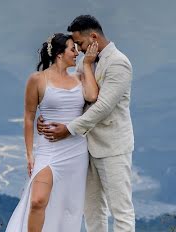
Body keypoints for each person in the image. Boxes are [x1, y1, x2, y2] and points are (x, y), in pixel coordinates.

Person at [40, 15, 136, 232]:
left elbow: (103, 107)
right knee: (92, 211)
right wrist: (46, 115)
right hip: (85, 147)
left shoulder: (119, 63)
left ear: (93, 36)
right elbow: (76, 95)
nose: (79, 50)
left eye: (80, 43)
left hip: (113, 147)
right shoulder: (86, 61)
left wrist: (69, 129)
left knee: (120, 211)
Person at [4, 32, 100, 232]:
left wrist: (89, 64)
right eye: (72, 49)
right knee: (38, 200)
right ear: (59, 54)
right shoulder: (37, 79)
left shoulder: (80, 77)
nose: (77, 53)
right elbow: (29, 117)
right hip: (48, 150)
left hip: (75, 150)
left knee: (68, 207)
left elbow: (92, 95)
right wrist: (30, 154)